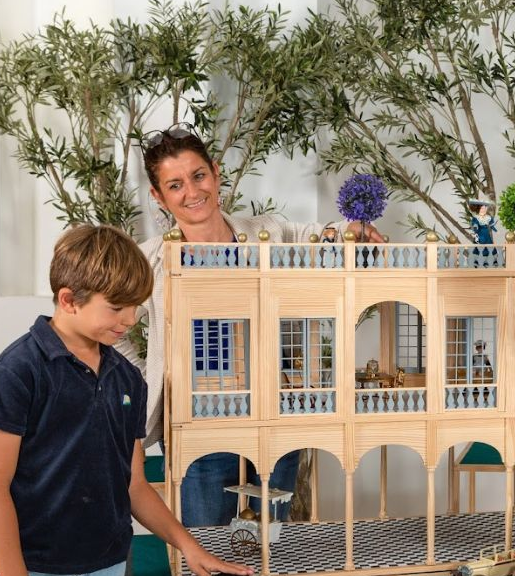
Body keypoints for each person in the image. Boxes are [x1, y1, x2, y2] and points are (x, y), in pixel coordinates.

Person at [0, 225, 250, 576]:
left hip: (104, 575)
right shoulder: (15, 373)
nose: (130, 320)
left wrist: (189, 547)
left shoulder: (129, 380)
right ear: (68, 299)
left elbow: (134, 486)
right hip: (31, 575)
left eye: (136, 307)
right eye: (118, 307)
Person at [121, 123, 382, 527]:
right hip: (199, 426)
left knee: (267, 544)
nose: (192, 192)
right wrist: (146, 379)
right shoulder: (152, 260)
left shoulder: (265, 233)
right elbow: (110, 324)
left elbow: (311, 235)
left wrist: (348, 230)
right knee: (206, 542)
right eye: (175, 186)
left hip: (273, 417)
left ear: (215, 173)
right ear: (158, 196)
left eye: (198, 176)